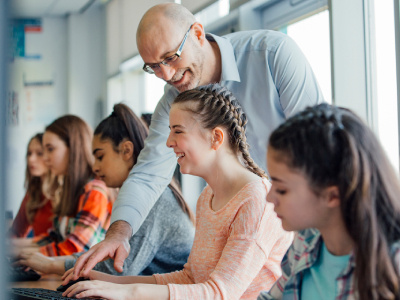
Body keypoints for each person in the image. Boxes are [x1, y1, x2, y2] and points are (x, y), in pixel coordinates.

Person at [73, 2, 323, 278]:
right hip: (247, 236)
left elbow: (316, 150)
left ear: (198, 33)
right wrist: (117, 235)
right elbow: (148, 174)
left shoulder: (273, 55)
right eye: (154, 67)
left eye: (170, 57)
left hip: (304, 224)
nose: (166, 75)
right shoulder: (173, 99)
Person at [61, 84, 292, 300]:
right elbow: (190, 277)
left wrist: (128, 293)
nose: (169, 142)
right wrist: (109, 282)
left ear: (216, 137)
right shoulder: (208, 197)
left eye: (178, 131)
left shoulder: (257, 200)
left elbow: (220, 294)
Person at [18, 103, 195, 276]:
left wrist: (51, 265)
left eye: (100, 156)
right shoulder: (134, 198)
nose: (95, 167)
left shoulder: (155, 199)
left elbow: (119, 268)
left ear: (126, 151)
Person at [258, 103, 400, 300]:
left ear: (332, 196)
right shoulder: (305, 239)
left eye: (281, 190)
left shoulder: (393, 265)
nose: (269, 197)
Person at [13, 115, 114, 257]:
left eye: (50, 149)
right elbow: (54, 237)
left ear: (73, 148)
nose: (46, 157)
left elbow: (74, 249)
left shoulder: (94, 192)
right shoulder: (71, 190)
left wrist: (22, 255)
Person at [9, 133, 53, 237]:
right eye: (29, 153)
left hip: (56, 252)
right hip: (35, 250)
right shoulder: (33, 192)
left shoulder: (63, 194)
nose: (31, 159)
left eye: (39, 153)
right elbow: (16, 232)